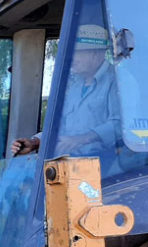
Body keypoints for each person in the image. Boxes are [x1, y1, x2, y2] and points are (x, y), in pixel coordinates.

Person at [11, 24, 119, 159]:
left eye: (78, 52)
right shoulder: (75, 86)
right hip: (72, 163)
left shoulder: (119, 82)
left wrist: (81, 139)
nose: (72, 58)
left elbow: (122, 126)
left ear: (97, 54)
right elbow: (60, 127)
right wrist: (36, 142)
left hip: (110, 166)